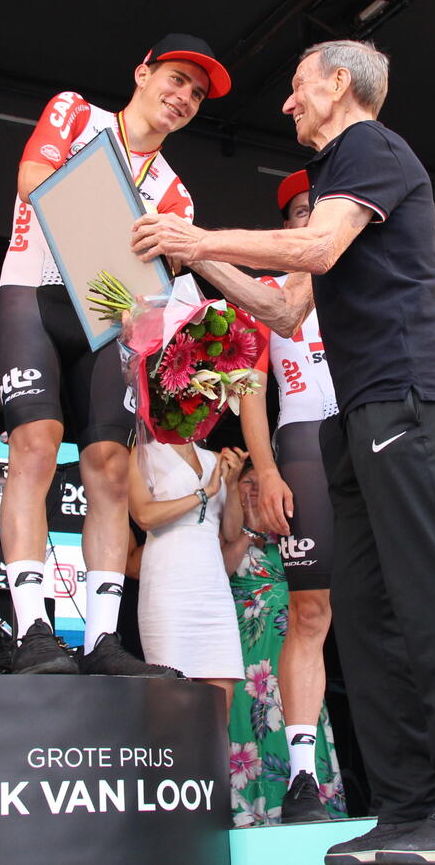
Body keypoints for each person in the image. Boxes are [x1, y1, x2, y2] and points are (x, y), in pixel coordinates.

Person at [132, 40, 435, 864]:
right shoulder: (337, 178)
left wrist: (198, 236)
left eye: (299, 86)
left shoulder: (369, 145)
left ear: (340, 83)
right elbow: (283, 311)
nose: (287, 103)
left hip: (414, 398)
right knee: (372, 620)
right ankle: (412, 803)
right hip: (358, 418)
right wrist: (191, 257)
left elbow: (313, 249)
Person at [0, 34, 232, 676]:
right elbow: (33, 181)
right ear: (142, 73)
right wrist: (115, 265)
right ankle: (33, 630)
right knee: (36, 445)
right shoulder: (77, 114)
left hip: (110, 324)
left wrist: (156, 310)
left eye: (197, 94)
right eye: (176, 79)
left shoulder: (177, 195)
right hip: (36, 294)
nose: (183, 97)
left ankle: (101, 640)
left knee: (107, 466)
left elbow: (163, 287)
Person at [238, 169, 338, 823]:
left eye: (320, 208)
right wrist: (268, 471)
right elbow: (250, 390)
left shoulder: (366, 283)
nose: (311, 218)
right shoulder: (266, 292)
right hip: (302, 440)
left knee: (392, 608)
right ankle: (302, 778)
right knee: (308, 611)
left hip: (371, 437)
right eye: (300, 210)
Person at [227, 460, 348, 827]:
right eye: (247, 482)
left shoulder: (295, 529)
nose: (254, 489)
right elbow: (222, 568)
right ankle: (255, 816)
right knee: (248, 725)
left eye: (258, 482)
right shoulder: (227, 528)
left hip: (292, 644)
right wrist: (249, 528)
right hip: (246, 648)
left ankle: (309, 799)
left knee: (299, 715)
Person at [126, 439, 247, 704]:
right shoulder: (144, 454)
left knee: (221, 697)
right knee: (173, 696)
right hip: (168, 581)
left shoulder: (215, 458)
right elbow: (144, 516)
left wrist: (232, 484)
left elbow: (231, 532)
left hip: (212, 585)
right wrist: (204, 493)